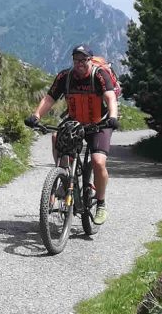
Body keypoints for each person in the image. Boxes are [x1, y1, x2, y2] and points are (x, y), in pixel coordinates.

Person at [25, 45, 119, 225]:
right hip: (75, 121)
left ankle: (100, 203)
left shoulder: (99, 75)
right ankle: (63, 175)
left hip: (100, 122)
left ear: (90, 60)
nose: (80, 63)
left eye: (83, 60)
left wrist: (113, 117)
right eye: (76, 60)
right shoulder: (65, 77)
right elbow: (49, 98)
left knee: (98, 161)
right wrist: (36, 115)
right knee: (55, 137)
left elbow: (110, 97)